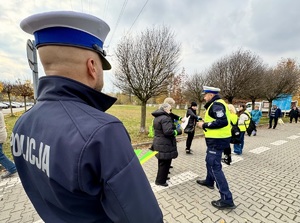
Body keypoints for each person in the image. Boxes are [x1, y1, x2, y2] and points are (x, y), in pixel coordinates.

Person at [11, 11, 163, 223]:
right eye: (102, 65)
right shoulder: (104, 132)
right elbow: (144, 218)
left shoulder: (22, 124)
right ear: (92, 66)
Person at [196, 86, 235, 209]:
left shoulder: (216, 105)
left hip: (217, 141)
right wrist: (204, 121)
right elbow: (217, 119)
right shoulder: (216, 104)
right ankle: (209, 181)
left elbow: (222, 121)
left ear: (211, 95)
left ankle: (226, 199)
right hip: (216, 140)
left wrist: (204, 124)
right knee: (209, 161)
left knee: (214, 166)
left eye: (205, 95)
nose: (204, 97)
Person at [151, 103, 181, 187]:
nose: (170, 111)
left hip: (159, 142)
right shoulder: (165, 118)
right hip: (165, 143)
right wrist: (178, 131)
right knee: (165, 162)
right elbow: (168, 132)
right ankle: (160, 181)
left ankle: (162, 177)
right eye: (169, 109)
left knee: (162, 162)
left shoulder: (157, 117)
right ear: (165, 109)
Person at [0, 108, 17, 179]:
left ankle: (12, 168)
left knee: (0, 155)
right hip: (2, 133)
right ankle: (10, 167)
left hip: (0, 134)